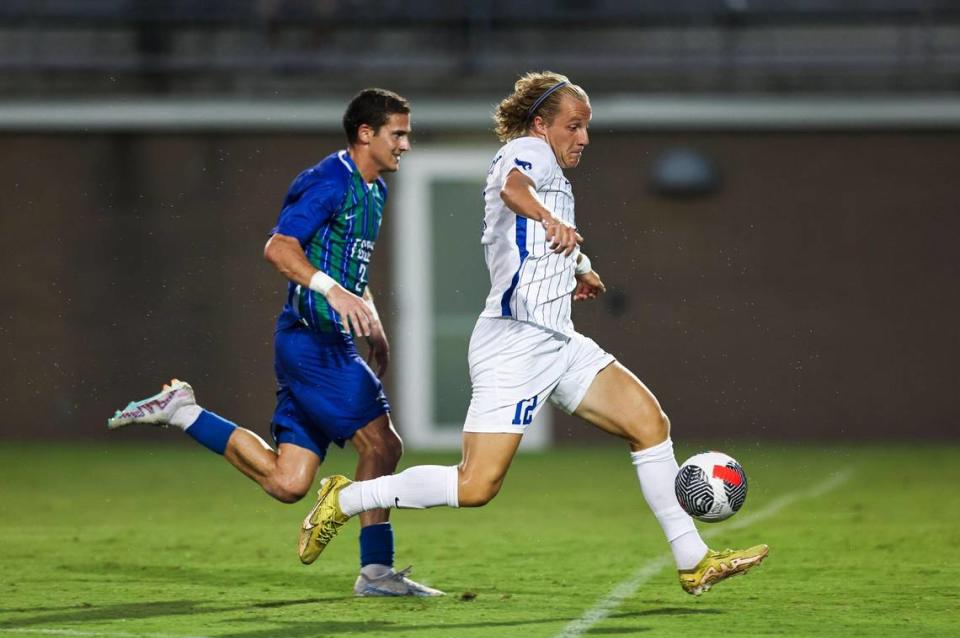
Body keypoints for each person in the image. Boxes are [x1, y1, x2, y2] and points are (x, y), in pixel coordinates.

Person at [298, 72, 769, 597]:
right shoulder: (527, 150)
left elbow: (530, 233)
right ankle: (347, 498)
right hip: (515, 342)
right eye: (574, 125)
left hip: (557, 339)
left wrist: (580, 265)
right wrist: (548, 217)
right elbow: (513, 190)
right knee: (475, 486)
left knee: (649, 424)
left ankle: (693, 560)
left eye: (587, 126)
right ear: (542, 124)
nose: (584, 137)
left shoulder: (550, 167)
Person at [106, 88, 443, 598]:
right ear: (365, 134)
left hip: (317, 342)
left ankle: (183, 412)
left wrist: (370, 317)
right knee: (382, 444)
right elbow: (279, 248)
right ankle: (376, 571)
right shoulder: (331, 181)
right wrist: (332, 293)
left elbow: (349, 270)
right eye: (398, 134)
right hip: (314, 343)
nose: (406, 146)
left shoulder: (375, 190)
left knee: (288, 483)